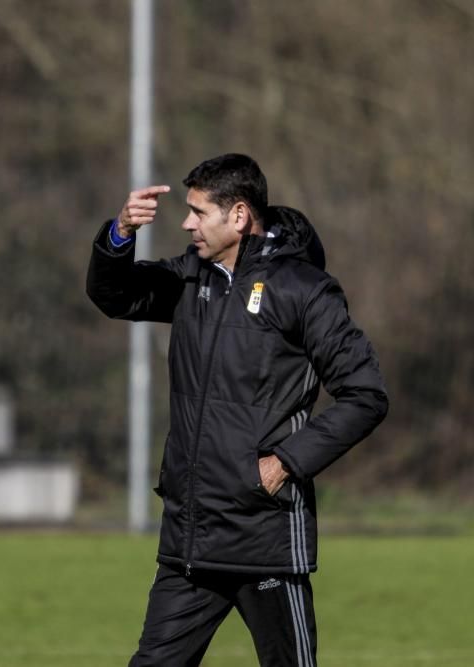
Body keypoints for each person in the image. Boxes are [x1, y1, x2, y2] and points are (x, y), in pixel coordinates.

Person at [86, 154, 389, 667]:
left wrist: (283, 465)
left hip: (262, 534)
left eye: (198, 212)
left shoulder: (303, 289)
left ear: (240, 215)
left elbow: (366, 395)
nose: (186, 223)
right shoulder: (191, 278)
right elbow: (115, 295)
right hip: (191, 539)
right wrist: (119, 233)